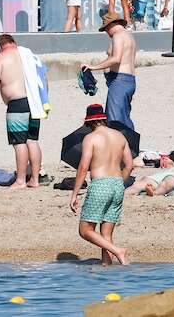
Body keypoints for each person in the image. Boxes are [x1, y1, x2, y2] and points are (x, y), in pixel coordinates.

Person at [69, 104, 135, 265]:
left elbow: (83, 167)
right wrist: (120, 182)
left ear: (89, 122)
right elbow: (129, 165)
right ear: (103, 119)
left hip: (100, 184)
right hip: (117, 184)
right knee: (106, 235)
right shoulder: (120, 136)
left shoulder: (91, 138)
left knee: (85, 231)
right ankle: (107, 267)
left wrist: (74, 194)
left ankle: (119, 251)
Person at [0, 34, 42, 189]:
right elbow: (42, 77)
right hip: (34, 102)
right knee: (32, 140)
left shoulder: (0, 58)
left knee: (19, 143)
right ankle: (35, 180)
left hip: (17, 104)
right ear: (14, 43)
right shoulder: (28, 55)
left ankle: (21, 180)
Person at [83, 11, 138, 133]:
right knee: (124, 117)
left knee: (115, 120)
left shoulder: (118, 36)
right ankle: (130, 148)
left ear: (111, 25)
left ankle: (122, 148)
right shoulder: (128, 35)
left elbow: (116, 58)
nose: (106, 32)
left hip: (120, 81)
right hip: (128, 80)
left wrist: (93, 67)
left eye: (106, 29)